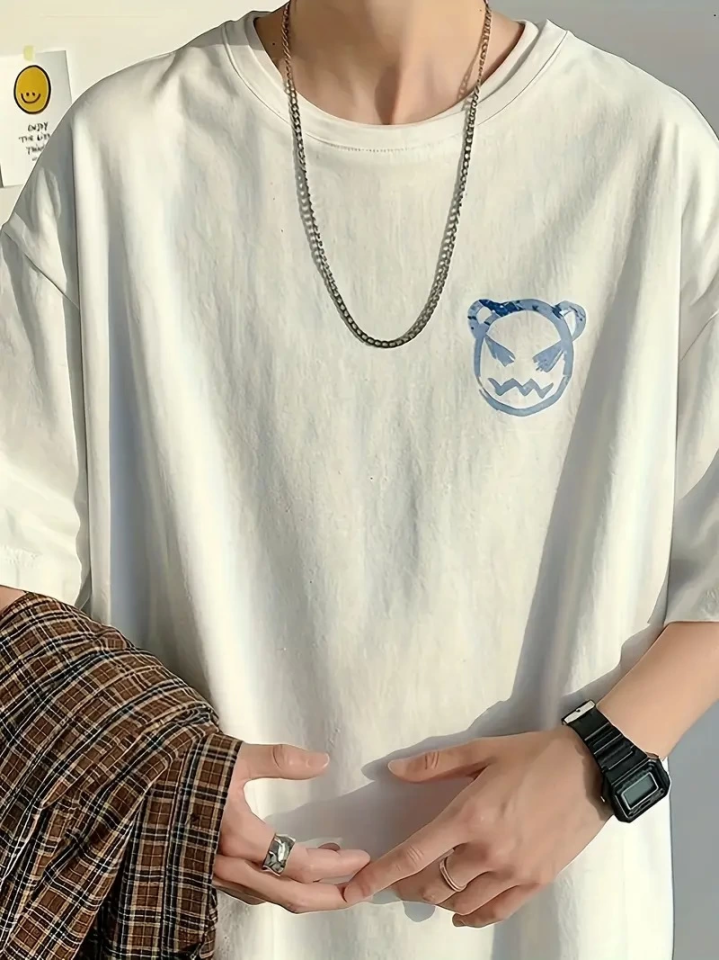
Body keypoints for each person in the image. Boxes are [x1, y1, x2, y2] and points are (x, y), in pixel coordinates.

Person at [1, 0, 718, 958]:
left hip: (557, 925)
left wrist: (603, 762)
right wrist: (167, 773)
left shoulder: (649, 154)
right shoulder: (118, 155)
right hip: (213, 926)